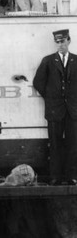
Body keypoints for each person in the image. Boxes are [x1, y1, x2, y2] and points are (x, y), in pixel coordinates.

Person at [33, 29, 77, 185]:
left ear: (69, 41)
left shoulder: (76, 60)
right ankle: (55, 177)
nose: (60, 45)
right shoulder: (48, 61)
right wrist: (51, 98)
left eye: (63, 41)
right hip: (54, 111)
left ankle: (72, 176)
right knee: (55, 144)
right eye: (57, 42)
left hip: (73, 111)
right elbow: (38, 82)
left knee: (73, 144)